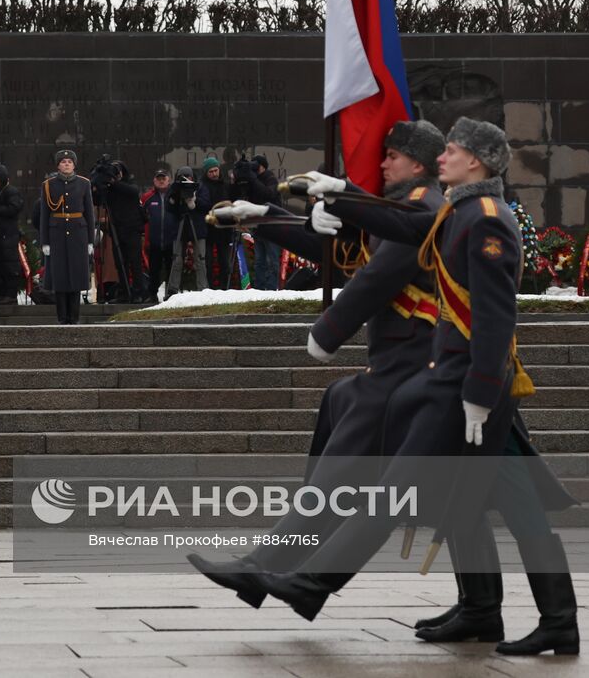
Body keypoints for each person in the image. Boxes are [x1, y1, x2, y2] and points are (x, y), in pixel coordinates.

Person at [236, 118, 579, 657]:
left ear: (479, 162)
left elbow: (494, 317)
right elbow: (403, 226)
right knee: (488, 504)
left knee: (416, 492)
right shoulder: (459, 210)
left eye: (456, 150)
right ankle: (495, 612)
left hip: (474, 389)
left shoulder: (485, 219)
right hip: (464, 385)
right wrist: (343, 198)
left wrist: (480, 393)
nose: (444, 155)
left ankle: (313, 582)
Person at [190, 121, 488, 623]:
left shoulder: (422, 208)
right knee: (461, 495)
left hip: (413, 365)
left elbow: (375, 276)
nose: (384, 163)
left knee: (367, 448)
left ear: (418, 164)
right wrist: (266, 217)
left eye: (392, 156)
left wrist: (328, 330)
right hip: (403, 362)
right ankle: (480, 608)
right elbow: (338, 252)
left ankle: (275, 567)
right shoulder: (405, 208)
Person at [38, 150, 94, 324]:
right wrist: (45, 241)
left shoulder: (84, 184)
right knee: (60, 276)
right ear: (58, 165)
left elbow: (89, 213)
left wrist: (90, 240)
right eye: (63, 162)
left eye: (70, 161)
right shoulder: (48, 185)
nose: (67, 164)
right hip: (57, 234)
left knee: (76, 276)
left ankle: (74, 317)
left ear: (74, 164)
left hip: (78, 233)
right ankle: (62, 318)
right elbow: (44, 215)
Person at [231, 155, 280, 289]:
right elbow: (240, 198)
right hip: (258, 226)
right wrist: (238, 178)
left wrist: (252, 179)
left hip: (272, 226)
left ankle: (270, 289)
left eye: (255, 164)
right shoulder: (252, 181)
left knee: (272, 260)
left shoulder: (270, 178)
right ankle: (259, 289)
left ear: (262, 166)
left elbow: (268, 195)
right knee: (259, 261)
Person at [103, 162, 147, 301]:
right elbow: (100, 200)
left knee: (135, 262)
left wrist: (114, 183)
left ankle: (138, 292)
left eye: (118, 171)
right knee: (120, 263)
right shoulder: (110, 188)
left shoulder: (129, 184)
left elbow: (133, 192)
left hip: (132, 229)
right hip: (117, 230)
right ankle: (124, 292)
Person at [0, 164, 25, 305]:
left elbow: (14, 208)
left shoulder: (11, 192)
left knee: (9, 264)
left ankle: (10, 294)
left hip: (8, 234)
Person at [165, 166, 205, 295]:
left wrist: (194, 200)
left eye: (189, 177)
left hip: (197, 228)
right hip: (179, 227)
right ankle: (172, 289)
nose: (187, 180)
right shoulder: (174, 188)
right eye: (184, 177)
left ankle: (203, 289)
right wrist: (176, 198)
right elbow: (169, 206)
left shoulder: (200, 187)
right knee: (177, 260)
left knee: (200, 259)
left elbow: (207, 205)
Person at [142, 168, 179, 302]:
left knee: (171, 268)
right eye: (159, 178)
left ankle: (171, 294)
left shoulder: (174, 196)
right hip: (154, 241)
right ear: (154, 180)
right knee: (154, 270)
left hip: (172, 240)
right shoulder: (147, 197)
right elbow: (141, 216)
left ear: (169, 180)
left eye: (164, 178)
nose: (161, 181)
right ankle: (152, 294)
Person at [198, 158, 232, 289]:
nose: (214, 174)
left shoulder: (226, 185)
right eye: (210, 171)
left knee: (225, 263)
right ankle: (209, 289)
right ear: (206, 173)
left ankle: (225, 288)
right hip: (208, 229)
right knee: (208, 262)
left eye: (215, 170)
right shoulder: (202, 186)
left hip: (224, 229)